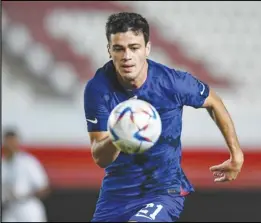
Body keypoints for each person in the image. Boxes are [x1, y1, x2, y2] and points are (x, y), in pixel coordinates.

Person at [84, 12, 244, 222]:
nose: (126, 56)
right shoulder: (98, 89)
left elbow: (214, 102)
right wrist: (119, 136)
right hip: (116, 194)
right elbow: (100, 158)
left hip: (162, 191)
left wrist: (236, 154)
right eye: (118, 49)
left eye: (134, 47)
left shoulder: (172, 82)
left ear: (147, 49)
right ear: (109, 50)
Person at [1, 129, 50, 222]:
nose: (10, 146)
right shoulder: (3, 164)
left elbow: (44, 187)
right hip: (9, 207)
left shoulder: (27, 162)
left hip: (27, 206)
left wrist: (26, 195)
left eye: (12, 142)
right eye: (8, 142)